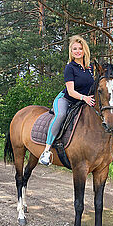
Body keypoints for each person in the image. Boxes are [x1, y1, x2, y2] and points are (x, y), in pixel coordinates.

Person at [39, 35, 95, 165]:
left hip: (82, 102)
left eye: (80, 48)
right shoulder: (70, 67)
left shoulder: (90, 67)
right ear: (71, 51)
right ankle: (46, 151)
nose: (77, 51)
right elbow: (71, 91)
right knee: (61, 115)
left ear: (84, 50)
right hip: (66, 100)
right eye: (74, 49)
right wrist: (84, 98)